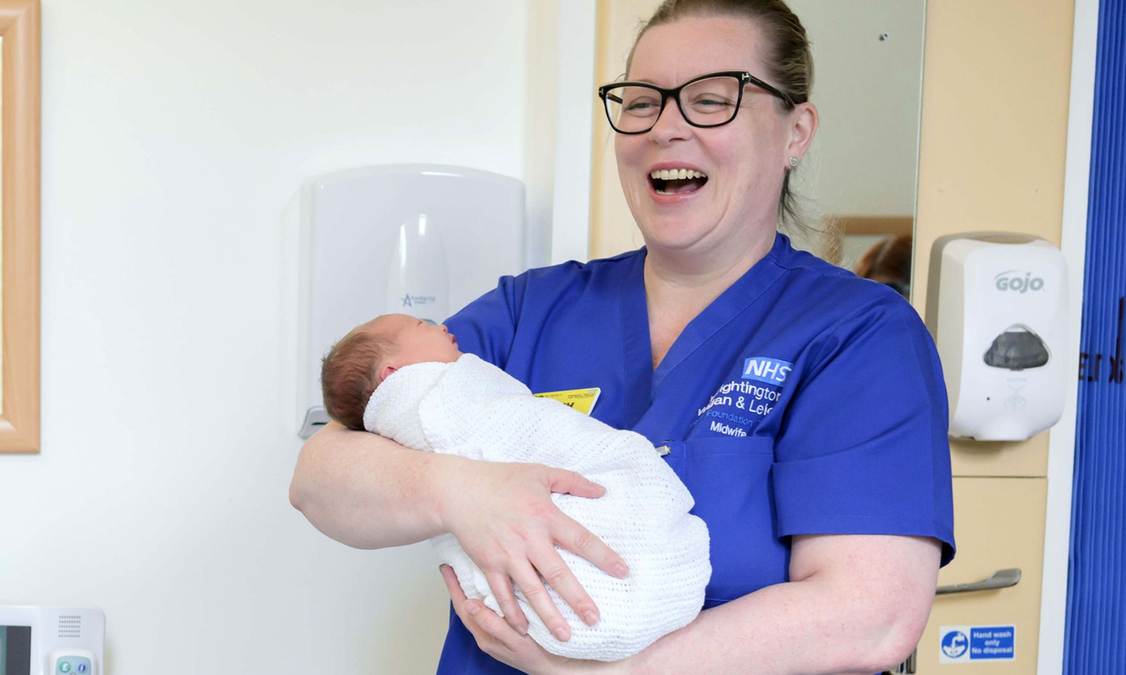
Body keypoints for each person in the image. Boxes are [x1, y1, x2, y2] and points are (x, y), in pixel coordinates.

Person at [290, 1, 955, 673]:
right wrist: (458, 489)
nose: (666, 127)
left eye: (711, 100)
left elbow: (869, 614)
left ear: (795, 131)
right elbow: (320, 477)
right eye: (640, 102)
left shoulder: (857, 335)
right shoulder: (531, 308)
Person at [318, 313, 710, 661]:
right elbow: (314, 477)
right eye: (423, 325)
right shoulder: (432, 399)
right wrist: (463, 489)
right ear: (392, 375)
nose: (443, 326)